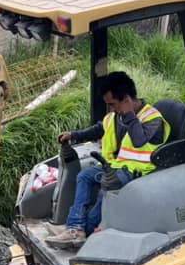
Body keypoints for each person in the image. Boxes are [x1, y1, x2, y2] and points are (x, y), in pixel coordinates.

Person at [46, 71, 170, 250]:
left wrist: (129, 115)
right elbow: (99, 129)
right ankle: (75, 228)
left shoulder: (152, 119)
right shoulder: (116, 116)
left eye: (113, 104)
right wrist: (74, 135)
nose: (112, 109)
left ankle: (86, 232)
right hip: (117, 166)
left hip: (138, 172)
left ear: (126, 99)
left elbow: (139, 140)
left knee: (107, 188)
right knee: (85, 176)